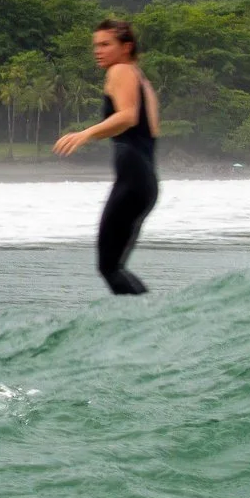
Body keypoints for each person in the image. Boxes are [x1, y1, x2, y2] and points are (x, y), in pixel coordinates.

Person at [54, 18, 160, 294]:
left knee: (109, 266)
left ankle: (147, 320)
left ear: (126, 46)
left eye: (105, 44)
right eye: (95, 45)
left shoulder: (121, 70)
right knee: (115, 266)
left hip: (134, 179)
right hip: (143, 181)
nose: (98, 50)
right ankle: (151, 313)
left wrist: (85, 134)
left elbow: (127, 116)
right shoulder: (139, 77)